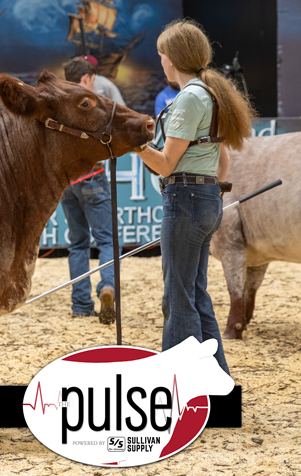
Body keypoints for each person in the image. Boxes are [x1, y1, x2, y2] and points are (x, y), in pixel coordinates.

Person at [135, 19, 254, 375]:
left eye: (161, 55)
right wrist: (210, 194)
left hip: (184, 198)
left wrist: (134, 145)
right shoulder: (210, 93)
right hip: (205, 198)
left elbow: (167, 164)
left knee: (178, 296)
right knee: (195, 292)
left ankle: (179, 386)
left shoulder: (188, 98)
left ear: (171, 57)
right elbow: (224, 158)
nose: (161, 62)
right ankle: (216, 379)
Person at [59, 57, 117, 324]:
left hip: (67, 182)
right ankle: (107, 286)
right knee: (106, 240)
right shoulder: (90, 104)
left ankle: (80, 304)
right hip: (93, 176)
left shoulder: (59, 106)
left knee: (77, 243)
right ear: (85, 78)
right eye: (93, 79)